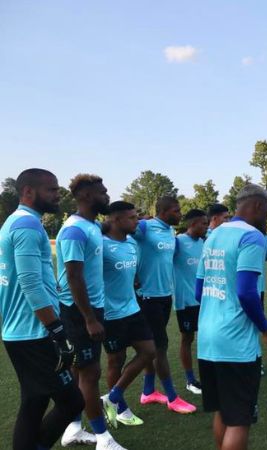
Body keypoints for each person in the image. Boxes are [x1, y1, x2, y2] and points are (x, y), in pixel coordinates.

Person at [0, 169, 86, 450]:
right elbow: (30, 284)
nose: (57, 194)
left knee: (34, 400)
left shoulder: (16, 222)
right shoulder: (27, 226)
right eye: (51, 189)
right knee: (72, 401)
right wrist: (56, 329)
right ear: (28, 191)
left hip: (21, 330)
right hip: (33, 331)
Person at [195, 184, 267, 450]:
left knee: (223, 410)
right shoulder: (252, 237)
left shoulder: (213, 235)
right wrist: (266, 330)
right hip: (235, 343)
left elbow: (199, 290)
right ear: (257, 206)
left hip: (208, 338)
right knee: (240, 419)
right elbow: (245, 292)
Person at [56, 174, 127, 449]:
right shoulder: (74, 230)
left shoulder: (91, 227)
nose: (107, 195)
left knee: (79, 372)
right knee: (90, 373)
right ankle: (103, 438)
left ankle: (73, 428)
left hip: (91, 308)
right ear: (85, 195)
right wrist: (89, 319)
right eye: (103, 191)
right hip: (78, 311)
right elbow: (74, 276)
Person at [132, 196, 195, 413]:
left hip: (165, 296)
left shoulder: (170, 232)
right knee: (159, 347)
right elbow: (117, 237)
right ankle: (172, 397)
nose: (180, 214)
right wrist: (131, 272)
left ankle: (148, 391)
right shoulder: (144, 227)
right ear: (165, 211)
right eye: (177, 211)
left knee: (152, 345)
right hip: (146, 296)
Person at [100, 201, 157, 428]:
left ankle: (112, 398)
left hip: (133, 308)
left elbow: (129, 272)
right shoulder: (101, 245)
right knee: (116, 360)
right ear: (115, 220)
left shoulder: (132, 242)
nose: (137, 221)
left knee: (148, 351)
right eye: (132, 218)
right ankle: (121, 409)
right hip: (110, 313)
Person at [173, 209, 208, 394]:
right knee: (187, 338)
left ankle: (208, 375)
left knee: (207, 336)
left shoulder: (204, 242)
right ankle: (190, 380)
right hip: (185, 301)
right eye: (203, 223)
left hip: (205, 300)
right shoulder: (177, 242)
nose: (206, 226)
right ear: (192, 224)